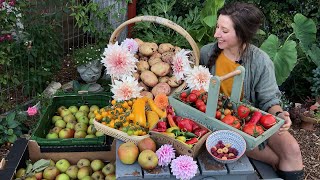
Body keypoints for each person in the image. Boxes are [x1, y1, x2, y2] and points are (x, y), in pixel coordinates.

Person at [200, 2, 304, 180]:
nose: (216, 34)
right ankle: (274, 165)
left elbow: (269, 101)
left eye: (224, 31)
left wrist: (279, 115)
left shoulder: (260, 61)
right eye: (218, 27)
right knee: (276, 159)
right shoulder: (207, 53)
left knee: (292, 150)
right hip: (219, 123)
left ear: (242, 34)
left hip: (253, 119)